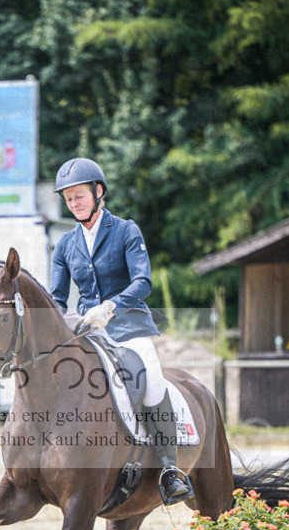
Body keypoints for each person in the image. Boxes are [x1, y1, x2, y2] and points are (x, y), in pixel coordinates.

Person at [49, 157, 193, 505]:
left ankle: (169, 469)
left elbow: (143, 282)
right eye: (68, 198)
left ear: (98, 192)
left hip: (129, 325)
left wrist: (111, 306)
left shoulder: (126, 230)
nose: (74, 203)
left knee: (152, 381)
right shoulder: (65, 245)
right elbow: (55, 297)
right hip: (88, 331)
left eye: (79, 195)